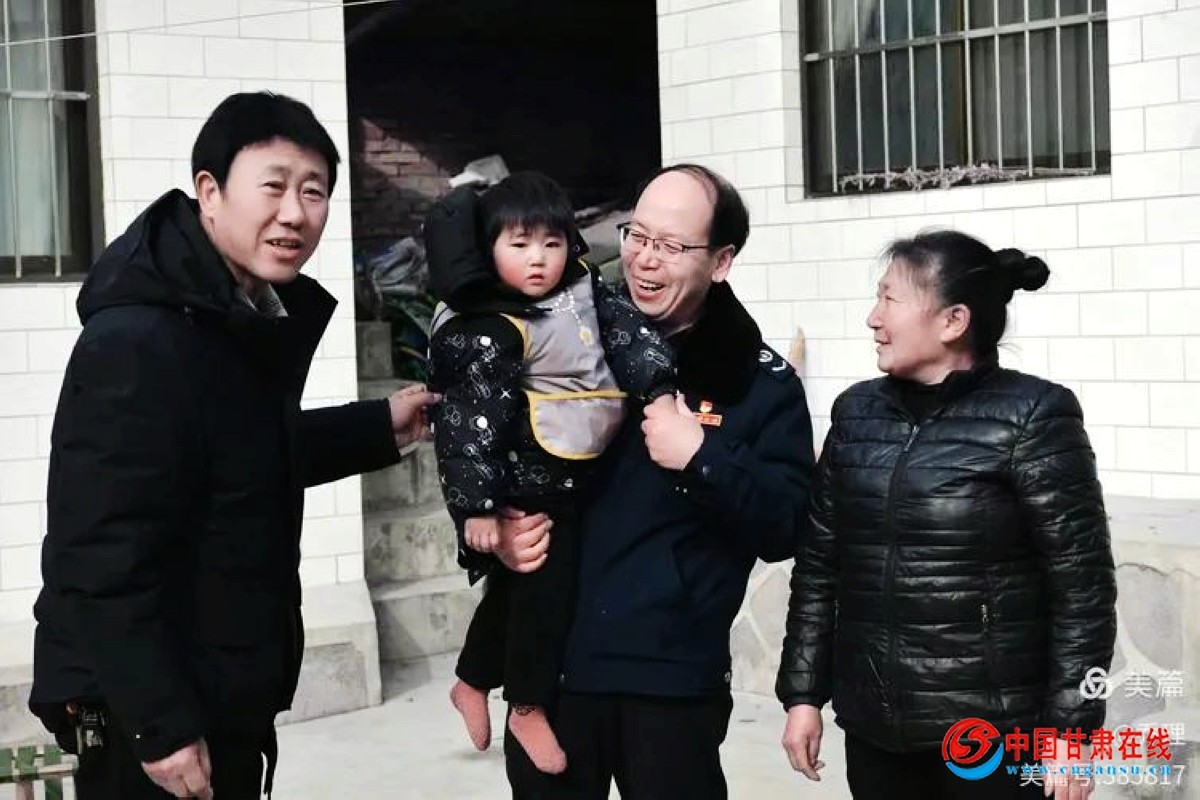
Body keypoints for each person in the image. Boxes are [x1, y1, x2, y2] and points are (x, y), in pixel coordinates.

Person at [28, 91, 437, 800]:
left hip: (215, 689)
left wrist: (379, 427)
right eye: (273, 186)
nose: (295, 213)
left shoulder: (230, 316)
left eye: (314, 191)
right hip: (150, 708)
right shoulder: (139, 341)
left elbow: (234, 458)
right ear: (210, 192)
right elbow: (99, 553)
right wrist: (159, 725)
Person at [485, 164, 815, 799]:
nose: (644, 259)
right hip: (552, 673)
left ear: (721, 261)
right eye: (637, 236)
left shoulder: (758, 383)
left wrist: (702, 456)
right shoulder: (561, 342)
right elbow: (485, 454)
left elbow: (787, 525)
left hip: (671, 682)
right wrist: (494, 530)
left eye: (671, 245)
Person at [775, 230, 1117, 800]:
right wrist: (803, 696)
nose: (872, 318)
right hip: (876, 730)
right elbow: (818, 568)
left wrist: (1072, 731)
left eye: (889, 299)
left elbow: (1082, 587)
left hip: (993, 736)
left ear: (953, 320)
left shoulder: (1033, 416)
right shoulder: (856, 414)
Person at [423, 171, 677, 775]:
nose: (538, 259)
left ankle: (471, 678)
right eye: (519, 244)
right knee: (545, 596)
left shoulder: (585, 290)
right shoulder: (484, 325)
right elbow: (466, 423)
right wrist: (476, 508)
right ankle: (526, 704)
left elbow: (630, 337)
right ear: (489, 249)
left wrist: (660, 389)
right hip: (523, 485)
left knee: (519, 590)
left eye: (552, 243)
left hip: (575, 478)